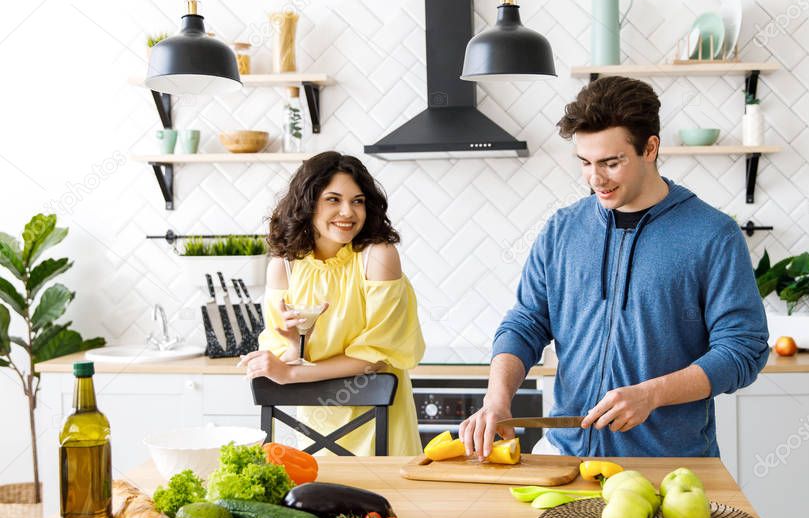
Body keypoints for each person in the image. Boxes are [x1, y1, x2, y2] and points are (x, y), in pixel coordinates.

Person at [459, 76, 770, 459]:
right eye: (585, 163)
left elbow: (743, 350)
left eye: (611, 162)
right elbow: (526, 321)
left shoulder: (712, 235)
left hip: (669, 464)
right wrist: (497, 400)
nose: (596, 179)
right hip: (566, 455)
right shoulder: (562, 229)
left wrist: (650, 395)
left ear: (650, 148)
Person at [241, 152, 425, 456]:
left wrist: (292, 373)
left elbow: (375, 357)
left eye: (357, 201)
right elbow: (288, 356)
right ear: (308, 203)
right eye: (333, 199)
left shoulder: (377, 257)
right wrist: (293, 347)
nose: (347, 212)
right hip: (320, 423)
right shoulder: (284, 266)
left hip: (383, 424)